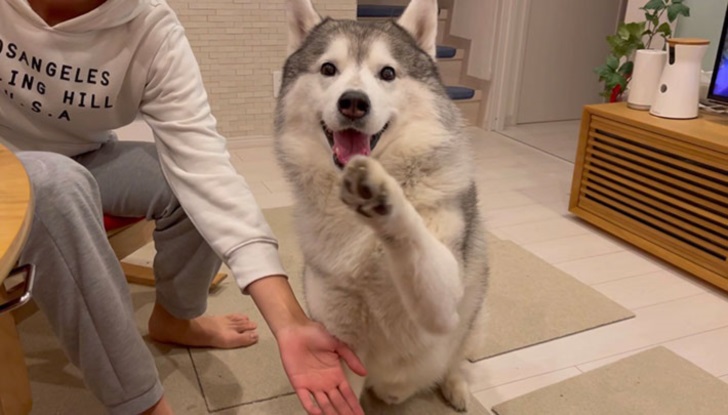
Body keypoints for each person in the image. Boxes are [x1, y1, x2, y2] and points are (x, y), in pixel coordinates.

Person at [0, 0, 366, 414]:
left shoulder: (149, 27)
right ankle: (141, 404)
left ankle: (174, 318)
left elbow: (204, 169)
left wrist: (291, 322)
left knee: (184, 183)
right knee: (57, 186)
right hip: (11, 165)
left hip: (83, 156)